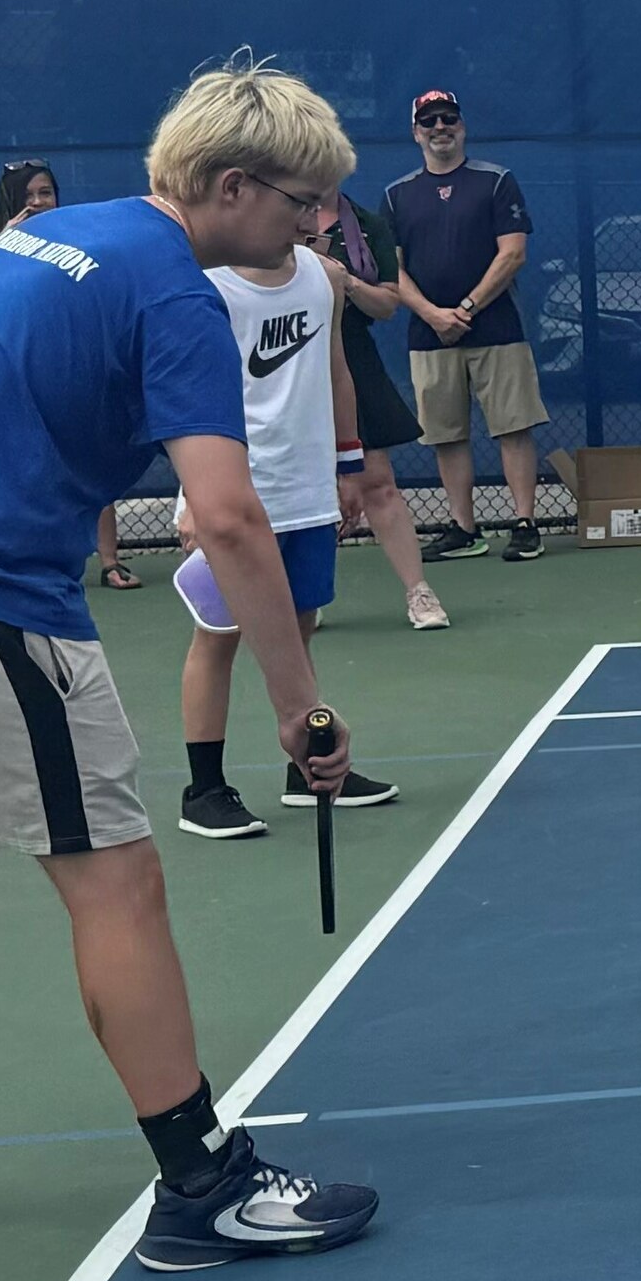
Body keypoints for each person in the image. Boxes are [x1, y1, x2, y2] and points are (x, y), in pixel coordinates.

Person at [0, 60, 374, 1270]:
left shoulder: (46, 237)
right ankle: (203, 1188)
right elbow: (228, 517)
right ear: (230, 185)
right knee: (116, 883)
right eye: (301, 201)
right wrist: (298, 707)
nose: (316, 226)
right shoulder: (176, 295)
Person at [172, 202, 400, 838]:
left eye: (315, 206)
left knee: (300, 629)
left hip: (306, 489)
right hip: (232, 492)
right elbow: (186, 394)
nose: (311, 220)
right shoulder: (207, 284)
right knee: (217, 636)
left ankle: (306, 768)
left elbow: (336, 371)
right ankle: (204, 790)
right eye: (299, 205)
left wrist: (347, 465)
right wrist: (193, 496)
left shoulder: (325, 278)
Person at [385, 92, 544, 560]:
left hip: (498, 330)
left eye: (448, 118)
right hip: (429, 336)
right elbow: (391, 269)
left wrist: (467, 308)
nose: (440, 127)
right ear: (415, 132)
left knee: (514, 426)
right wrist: (433, 314)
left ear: (463, 126)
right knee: (446, 434)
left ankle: (525, 523)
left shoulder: (496, 182)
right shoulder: (397, 195)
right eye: (429, 121)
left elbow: (513, 253)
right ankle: (464, 529)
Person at [305, 185, 451, 632]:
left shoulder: (368, 226)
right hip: (288, 354)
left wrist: (345, 281)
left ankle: (419, 592)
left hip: (352, 355)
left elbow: (387, 304)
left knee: (377, 481)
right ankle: (305, 596)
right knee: (302, 488)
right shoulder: (271, 215)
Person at [0, 163, 143, 592]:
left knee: (92, 462)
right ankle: (24, 566)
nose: (39, 203)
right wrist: (7, 243)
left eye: (46, 193)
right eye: (28, 196)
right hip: (18, 381)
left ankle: (110, 562)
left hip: (74, 371)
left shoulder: (76, 242)